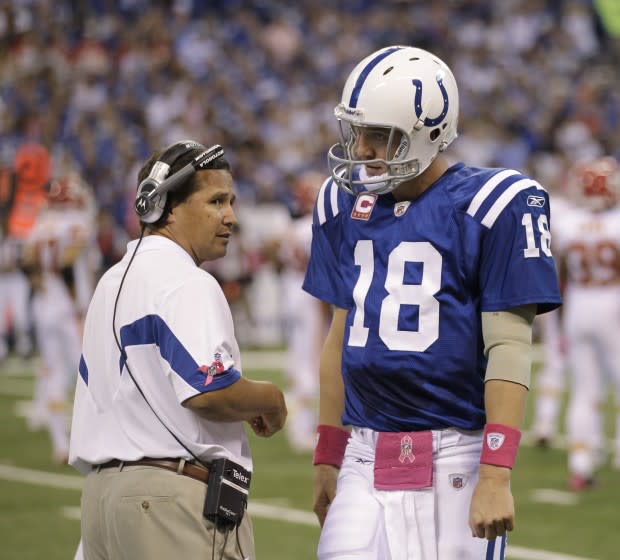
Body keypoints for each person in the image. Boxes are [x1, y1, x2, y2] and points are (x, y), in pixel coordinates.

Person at [303, 46, 562, 559]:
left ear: (428, 131)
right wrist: (327, 453)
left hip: (455, 454)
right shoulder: (339, 203)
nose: (363, 149)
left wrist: (495, 472)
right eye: (357, 132)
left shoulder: (494, 202)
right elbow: (340, 336)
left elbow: (509, 347)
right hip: (363, 451)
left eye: (379, 135)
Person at [68, 140, 287, 560]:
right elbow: (209, 391)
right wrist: (271, 399)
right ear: (164, 207)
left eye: (231, 201)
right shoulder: (187, 281)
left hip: (101, 501)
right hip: (169, 500)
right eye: (216, 201)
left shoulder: (110, 282)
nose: (231, 216)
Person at [553, 156, 620, 490]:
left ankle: (580, 462)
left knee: (584, 390)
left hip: (579, 306)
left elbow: (561, 274)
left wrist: (562, 321)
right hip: (612, 305)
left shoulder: (568, 223)